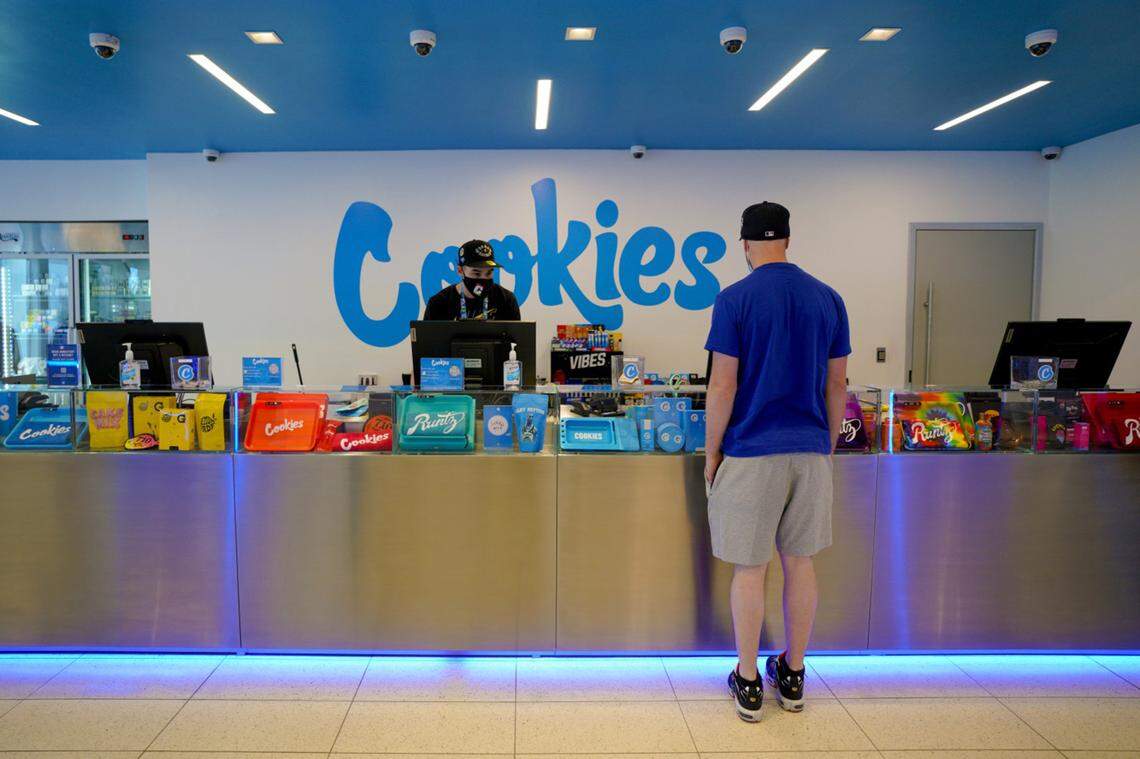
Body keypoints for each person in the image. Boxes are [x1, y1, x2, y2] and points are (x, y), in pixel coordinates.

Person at [702, 201, 850, 723]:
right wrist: (826, 443)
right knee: (800, 564)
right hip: (809, 450)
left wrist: (712, 450)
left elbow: (723, 385)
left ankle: (747, 680)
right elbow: (838, 383)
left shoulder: (734, 299)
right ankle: (793, 673)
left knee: (750, 567)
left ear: (743, 244)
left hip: (751, 451)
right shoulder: (828, 299)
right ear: (788, 239)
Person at [423, 239, 521, 321]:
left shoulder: (506, 300)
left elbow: (518, 341)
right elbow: (427, 343)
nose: (484, 279)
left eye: (489, 273)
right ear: (460, 270)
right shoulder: (438, 304)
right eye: (477, 273)